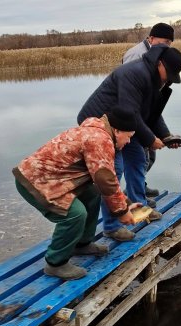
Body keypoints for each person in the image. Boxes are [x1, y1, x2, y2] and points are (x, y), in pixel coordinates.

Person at [13, 107, 140, 280]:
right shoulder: (99, 139)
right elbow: (105, 179)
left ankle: (81, 243)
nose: (129, 141)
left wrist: (125, 204)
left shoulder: (98, 132)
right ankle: (55, 263)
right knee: (74, 214)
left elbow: (104, 181)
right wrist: (121, 212)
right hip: (35, 182)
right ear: (117, 131)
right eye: (129, 136)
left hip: (54, 179)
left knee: (93, 193)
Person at [77, 44, 181, 242]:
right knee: (114, 171)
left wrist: (166, 135)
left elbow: (150, 114)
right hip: (100, 126)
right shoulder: (134, 73)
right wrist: (151, 139)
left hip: (124, 125)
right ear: (160, 64)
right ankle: (112, 226)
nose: (168, 79)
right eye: (168, 73)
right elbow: (131, 112)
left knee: (137, 160)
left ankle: (138, 208)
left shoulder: (154, 79)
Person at [122, 23, 181, 207]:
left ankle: (139, 187)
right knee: (139, 155)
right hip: (128, 116)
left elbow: (152, 103)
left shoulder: (159, 57)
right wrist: (148, 134)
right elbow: (132, 100)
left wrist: (165, 134)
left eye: (169, 44)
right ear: (151, 39)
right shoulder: (136, 56)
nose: (166, 47)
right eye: (164, 42)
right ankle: (134, 194)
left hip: (143, 113)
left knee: (150, 155)